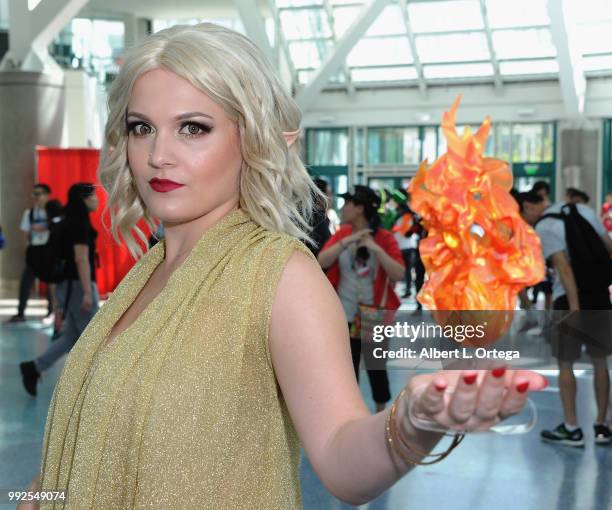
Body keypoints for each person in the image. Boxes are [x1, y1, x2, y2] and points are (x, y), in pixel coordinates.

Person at [19, 24, 547, 509]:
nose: (159, 154)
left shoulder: (280, 277)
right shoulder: (147, 272)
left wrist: (411, 422)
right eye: (142, 127)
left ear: (252, 139)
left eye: (194, 128)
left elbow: (342, 458)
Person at [520, 190, 612, 446]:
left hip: (569, 301)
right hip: (598, 296)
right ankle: (602, 426)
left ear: (529, 206)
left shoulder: (546, 227)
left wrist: (573, 311)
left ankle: (571, 427)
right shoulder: (583, 211)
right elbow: (608, 247)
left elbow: (564, 269)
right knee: (600, 361)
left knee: (565, 364)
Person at [318, 185, 404, 412]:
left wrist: (375, 249)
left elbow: (399, 273)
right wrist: (347, 241)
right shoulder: (343, 234)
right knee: (347, 368)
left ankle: (381, 415)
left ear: (359, 208)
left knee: (376, 368)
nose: (343, 208)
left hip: (374, 314)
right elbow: (322, 261)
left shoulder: (384, 238)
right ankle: (352, 416)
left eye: (347, 204)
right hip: (344, 312)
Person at [19, 183, 100, 397]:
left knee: (71, 335)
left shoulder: (66, 220)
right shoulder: (79, 224)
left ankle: (34, 367)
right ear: (83, 199)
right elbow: (81, 259)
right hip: (77, 286)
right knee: (93, 336)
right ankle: (95, 387)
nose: (97, 200)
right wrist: (87, 292)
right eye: (93, 196)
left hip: (67, 285)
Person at [6, 184, 53, 323]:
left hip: (49, 251)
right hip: (34, 251)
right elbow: (25, 234)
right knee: (26, 282)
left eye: (38, 194)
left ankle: (51, 312)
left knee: (52, 283)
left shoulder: (53, 211)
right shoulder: (29, 213)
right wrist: (27, 249)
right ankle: (20, 313)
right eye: (34, 194)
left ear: (47, 195)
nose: (35, 197)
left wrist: (45, 227)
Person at [307, 178, 332, 257]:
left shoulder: (305, 216)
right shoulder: (320, 219)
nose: (331, 198)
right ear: (320, 196)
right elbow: (327, 244)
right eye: (329, 194)